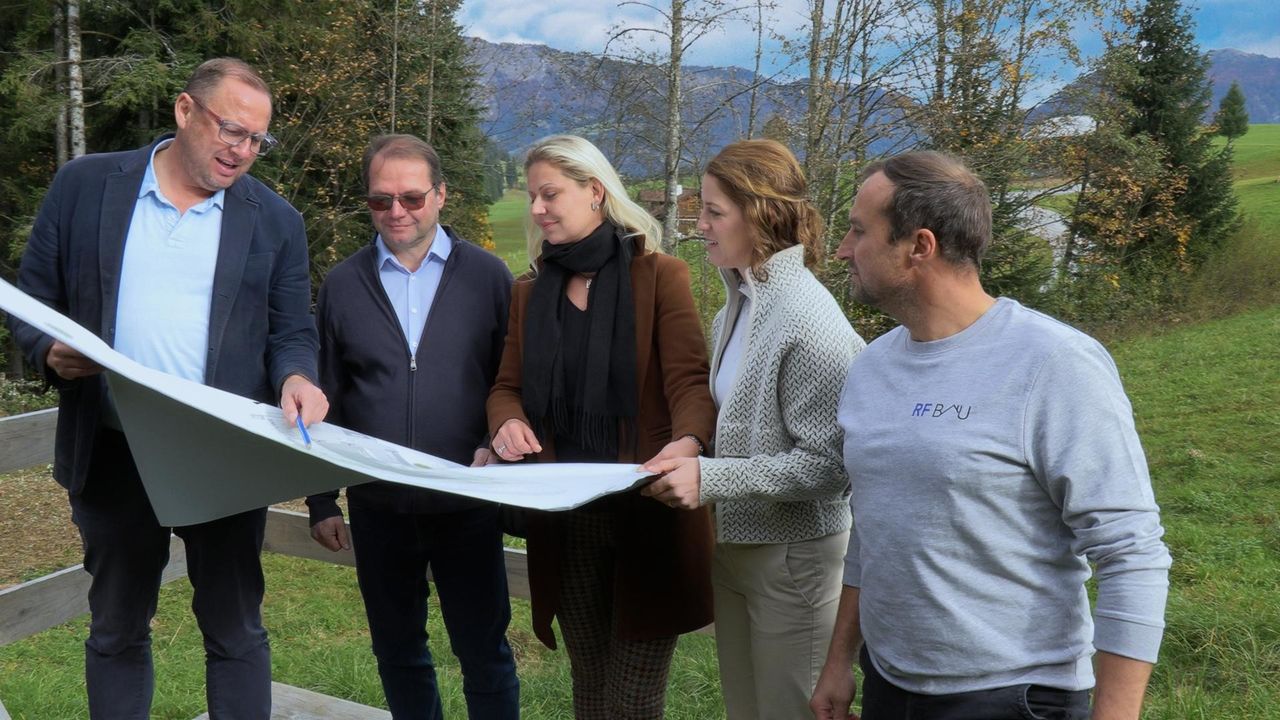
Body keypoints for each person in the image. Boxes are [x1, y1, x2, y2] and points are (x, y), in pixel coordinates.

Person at [8, 58, 328, 719]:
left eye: (257, 140)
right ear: (185, 110)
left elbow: (293, 330)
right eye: (232, 130)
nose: (243, 151)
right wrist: (49, 352)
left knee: (236, 631)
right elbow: (32, 301)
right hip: (113, 450)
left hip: (223, 454)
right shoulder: (84, 186)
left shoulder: (276, 221)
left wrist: (297, 376)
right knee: (117, 628)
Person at [810, 151, 1172, 720]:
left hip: (1014, 696)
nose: (841, 249)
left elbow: (1131, 550)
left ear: (919, 246)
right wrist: (839, 661)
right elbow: (875, 529)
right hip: (888, 684)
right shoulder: (871, 367)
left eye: (858, 231)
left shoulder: (1053, 362)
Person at [485, 134, 717, 719]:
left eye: (549, 194)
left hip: (649, 508)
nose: (537, 209)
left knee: (632, 701)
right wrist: (507, 421)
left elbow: (690, 379)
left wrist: (689, 441)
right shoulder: (530, 291)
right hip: (567, 518)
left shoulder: (660, 276)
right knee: (589, 686)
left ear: (595, 191)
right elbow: (506, 386)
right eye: (532, 196)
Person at [640, 139, 864, 719]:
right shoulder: (735, 309)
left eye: (714, 212)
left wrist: (711, 480)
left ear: (760, 215)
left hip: (795, 562)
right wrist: (691, 448)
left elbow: (832, 468)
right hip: (736, 550)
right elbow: (742, 425)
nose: (700, 225)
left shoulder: (809, 322)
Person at [304, 134, 519, 719]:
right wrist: (321, 499)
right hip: (378, 508)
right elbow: (326, 395)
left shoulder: (488, 277)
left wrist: (492, 446)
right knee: (398, 654)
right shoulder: (343, 285)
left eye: (411, 198)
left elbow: (511, 380)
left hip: (467, 501)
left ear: (441, 195)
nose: (396, 211)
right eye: (381, 200)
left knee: (485, 654)